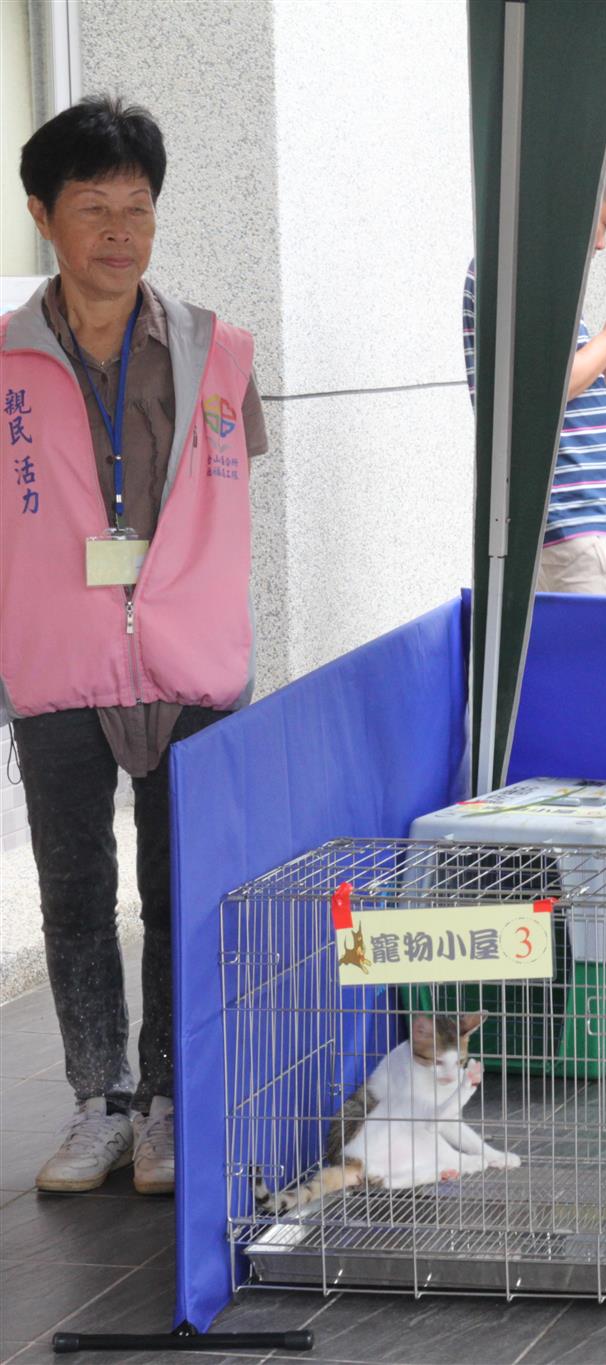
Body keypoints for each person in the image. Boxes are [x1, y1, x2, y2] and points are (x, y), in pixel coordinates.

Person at [3, 97, 267, 1193]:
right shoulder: (7, 364)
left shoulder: (217, 351)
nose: (118, 231)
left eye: (137, 209)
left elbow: (236, 485)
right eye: (92, 209)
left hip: (189, 661)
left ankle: (166, 1098)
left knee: (179, 884)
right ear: (41, 217)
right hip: (58, 656)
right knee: (72, 889)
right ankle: (97, 1101)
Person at [463, 154, 606, 593]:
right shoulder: (522, 268)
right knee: (595, 658)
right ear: (576, 205)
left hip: (571, 515)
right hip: (571, 513)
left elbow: (556, 390)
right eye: (604, 225)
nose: (601, 243)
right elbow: (544, 389)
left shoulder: (526, 268)